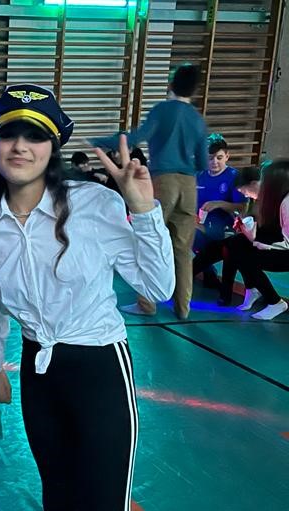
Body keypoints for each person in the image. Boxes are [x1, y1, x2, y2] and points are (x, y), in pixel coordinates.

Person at [0, 84, 174, 511]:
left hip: (99, 368)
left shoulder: (92, 203)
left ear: (53, 146)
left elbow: (158, 287)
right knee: (59, 507)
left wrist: (144, 210)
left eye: (35, 136)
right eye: (9, 134)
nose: (20, 146)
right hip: (39, 373)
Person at [93, 63, 208, 319]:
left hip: (163, 180)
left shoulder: (163, 110)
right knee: (183, 249)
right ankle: (183, 308)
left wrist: (100, 142)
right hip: (189, 185)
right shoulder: (197, 119)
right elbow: (202, 160)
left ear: (171, 84)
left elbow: (135, 137)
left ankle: (147, 303)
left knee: (149, 237)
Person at [221, 159, 289, 320]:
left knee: (246, 256)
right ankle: (251, 289)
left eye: (264, 180)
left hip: (285, 251)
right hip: (277, 245)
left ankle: (275, 302)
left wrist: (259, 243)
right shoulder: (273, 200)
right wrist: (250, 235)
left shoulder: (286, 203)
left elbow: (286, 242)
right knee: (235, 243)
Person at [193, 165, 261, 305]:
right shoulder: (200, 175)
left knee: (233, 247)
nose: (246, 196)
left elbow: (262, 234)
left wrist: (246, 230)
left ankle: (245, 290)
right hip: (239, 236)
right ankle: (204, 278)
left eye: (245, 192)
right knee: (217, 248)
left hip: (255, 242)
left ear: (254, 184)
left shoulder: (270, 202)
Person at [192, 134, 247, 288]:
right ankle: (208, 273)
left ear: (227, 156)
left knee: (200, 237)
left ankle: (204, 273)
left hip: (223, 225)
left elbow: (242, 207)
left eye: (219, 157)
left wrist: (219, 204)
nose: (214, 162)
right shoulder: (200, 175)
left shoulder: (234, 176)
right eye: (210, 158)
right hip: (200, 221)